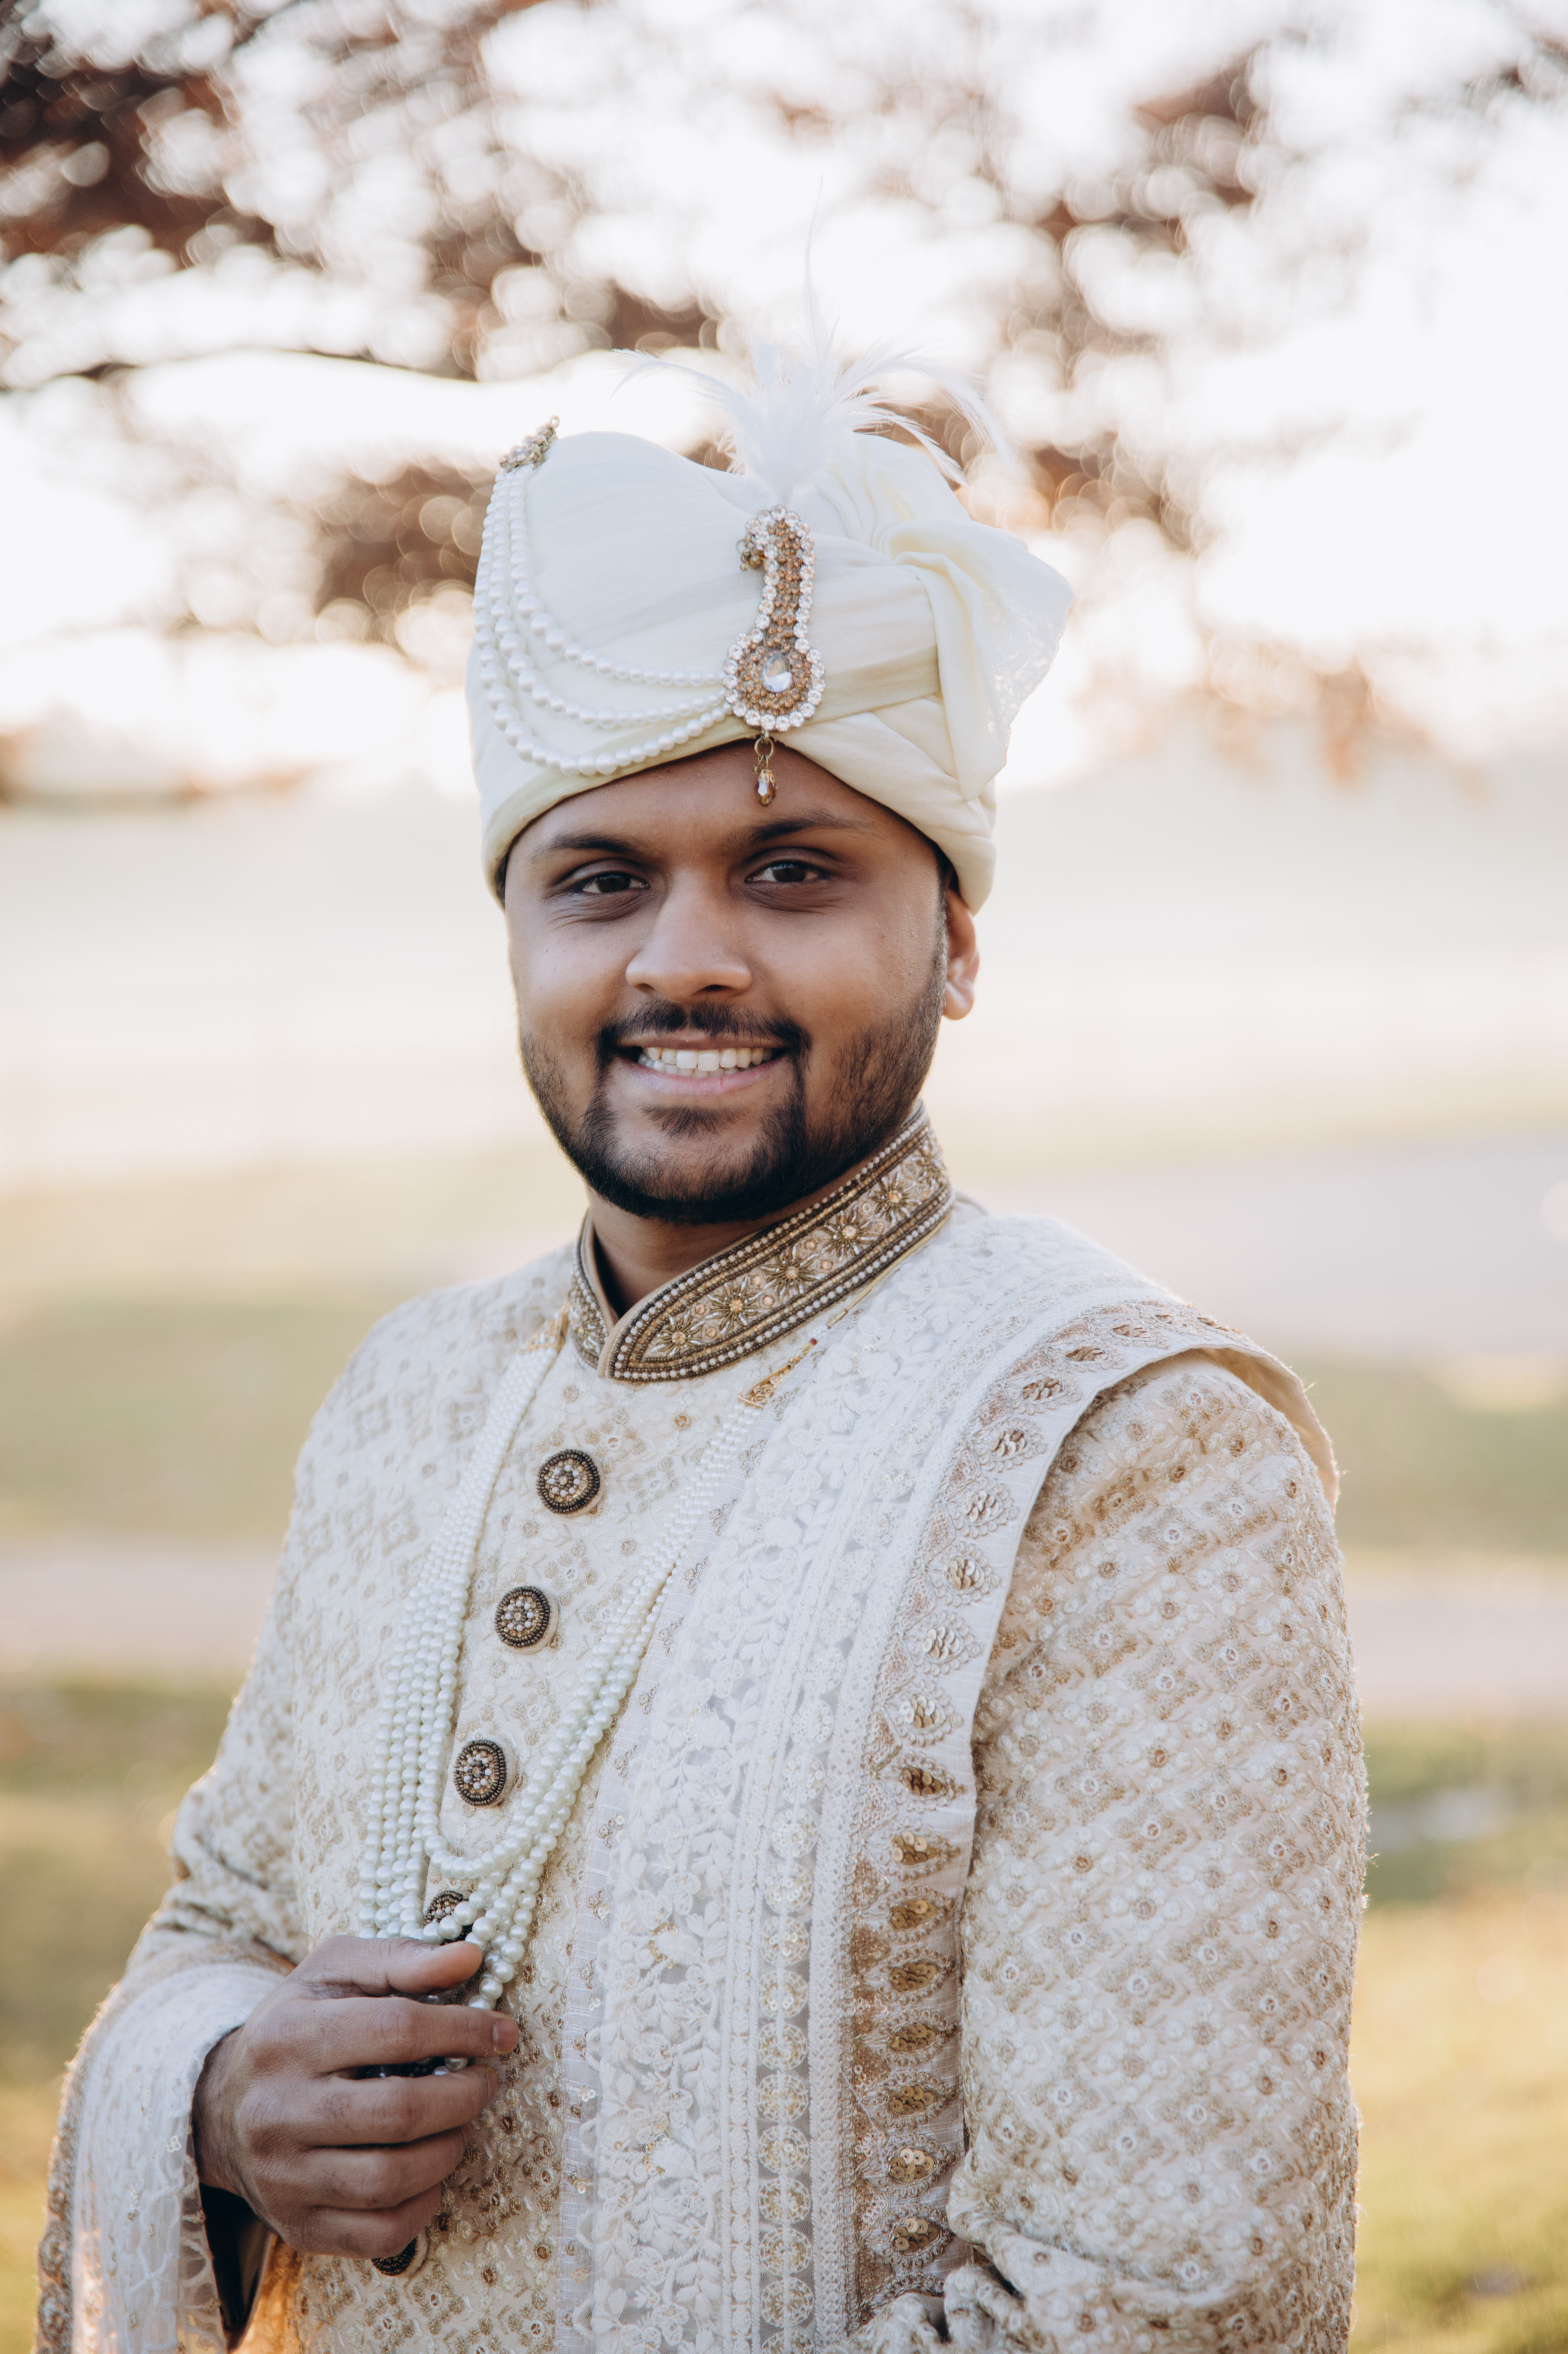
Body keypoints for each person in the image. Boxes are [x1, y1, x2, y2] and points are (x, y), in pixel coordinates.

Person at [39, 339, 1365, 2354]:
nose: (682, 957)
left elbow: (1159, 2297)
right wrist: (225, 2099)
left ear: (958, 938)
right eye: (598, 882)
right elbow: (222, 1918)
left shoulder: (1123, 1442)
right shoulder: (413, 1393)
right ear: (516, 938)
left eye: (790, 869)